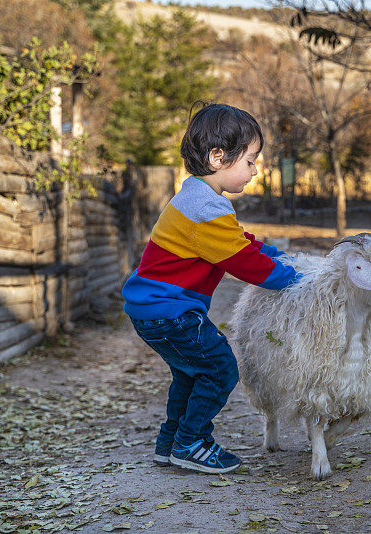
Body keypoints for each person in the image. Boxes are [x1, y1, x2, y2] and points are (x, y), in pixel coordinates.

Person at [122, 102, 301, 474]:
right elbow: (246, 264)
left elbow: (239, 241)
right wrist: (296, 277)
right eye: (250, 161)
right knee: (220, 367)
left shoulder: (201, 200)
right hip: (169, 311)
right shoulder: (206, 208)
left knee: (191, 372)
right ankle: (192, 442)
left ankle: (171, 441)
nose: (255, 170)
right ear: (218, 157)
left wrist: (275, 253)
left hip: (157, 309)